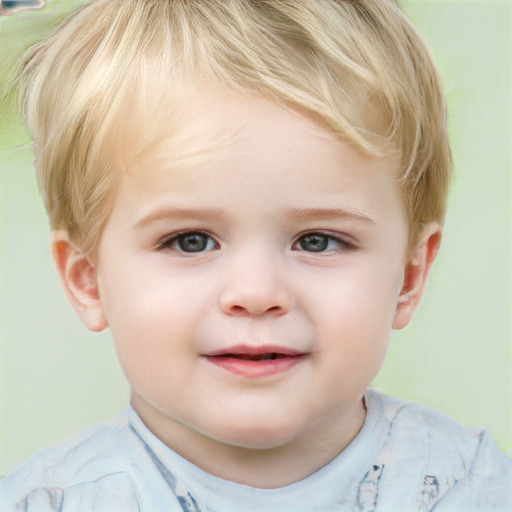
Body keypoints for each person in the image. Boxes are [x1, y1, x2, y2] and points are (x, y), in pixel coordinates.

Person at [1, 0, 510, 510]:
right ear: (88, 279)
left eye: (318, 240)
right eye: (190, 241)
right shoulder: (45, 502)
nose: (257, 293)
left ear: (409, 275)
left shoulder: (471, 489)